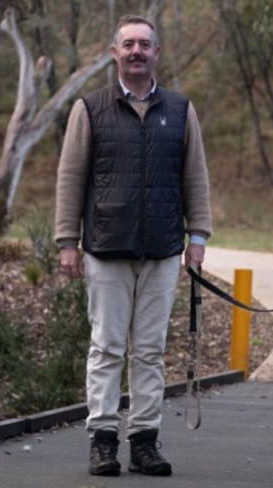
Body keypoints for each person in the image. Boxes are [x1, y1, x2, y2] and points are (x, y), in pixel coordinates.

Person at [54, 14, 212, 477]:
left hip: (163, 249)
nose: (137, 51)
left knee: (149, 350)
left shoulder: (180, 109)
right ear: (115, 54)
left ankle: (144, 441)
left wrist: (197, 235)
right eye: (129, 45)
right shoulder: (90, 107)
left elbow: (196, 176)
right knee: (105, 348)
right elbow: (70, 177)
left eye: (145, 44)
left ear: (157, 53)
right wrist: (68, 240)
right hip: (105, 247)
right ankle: (103, 441)